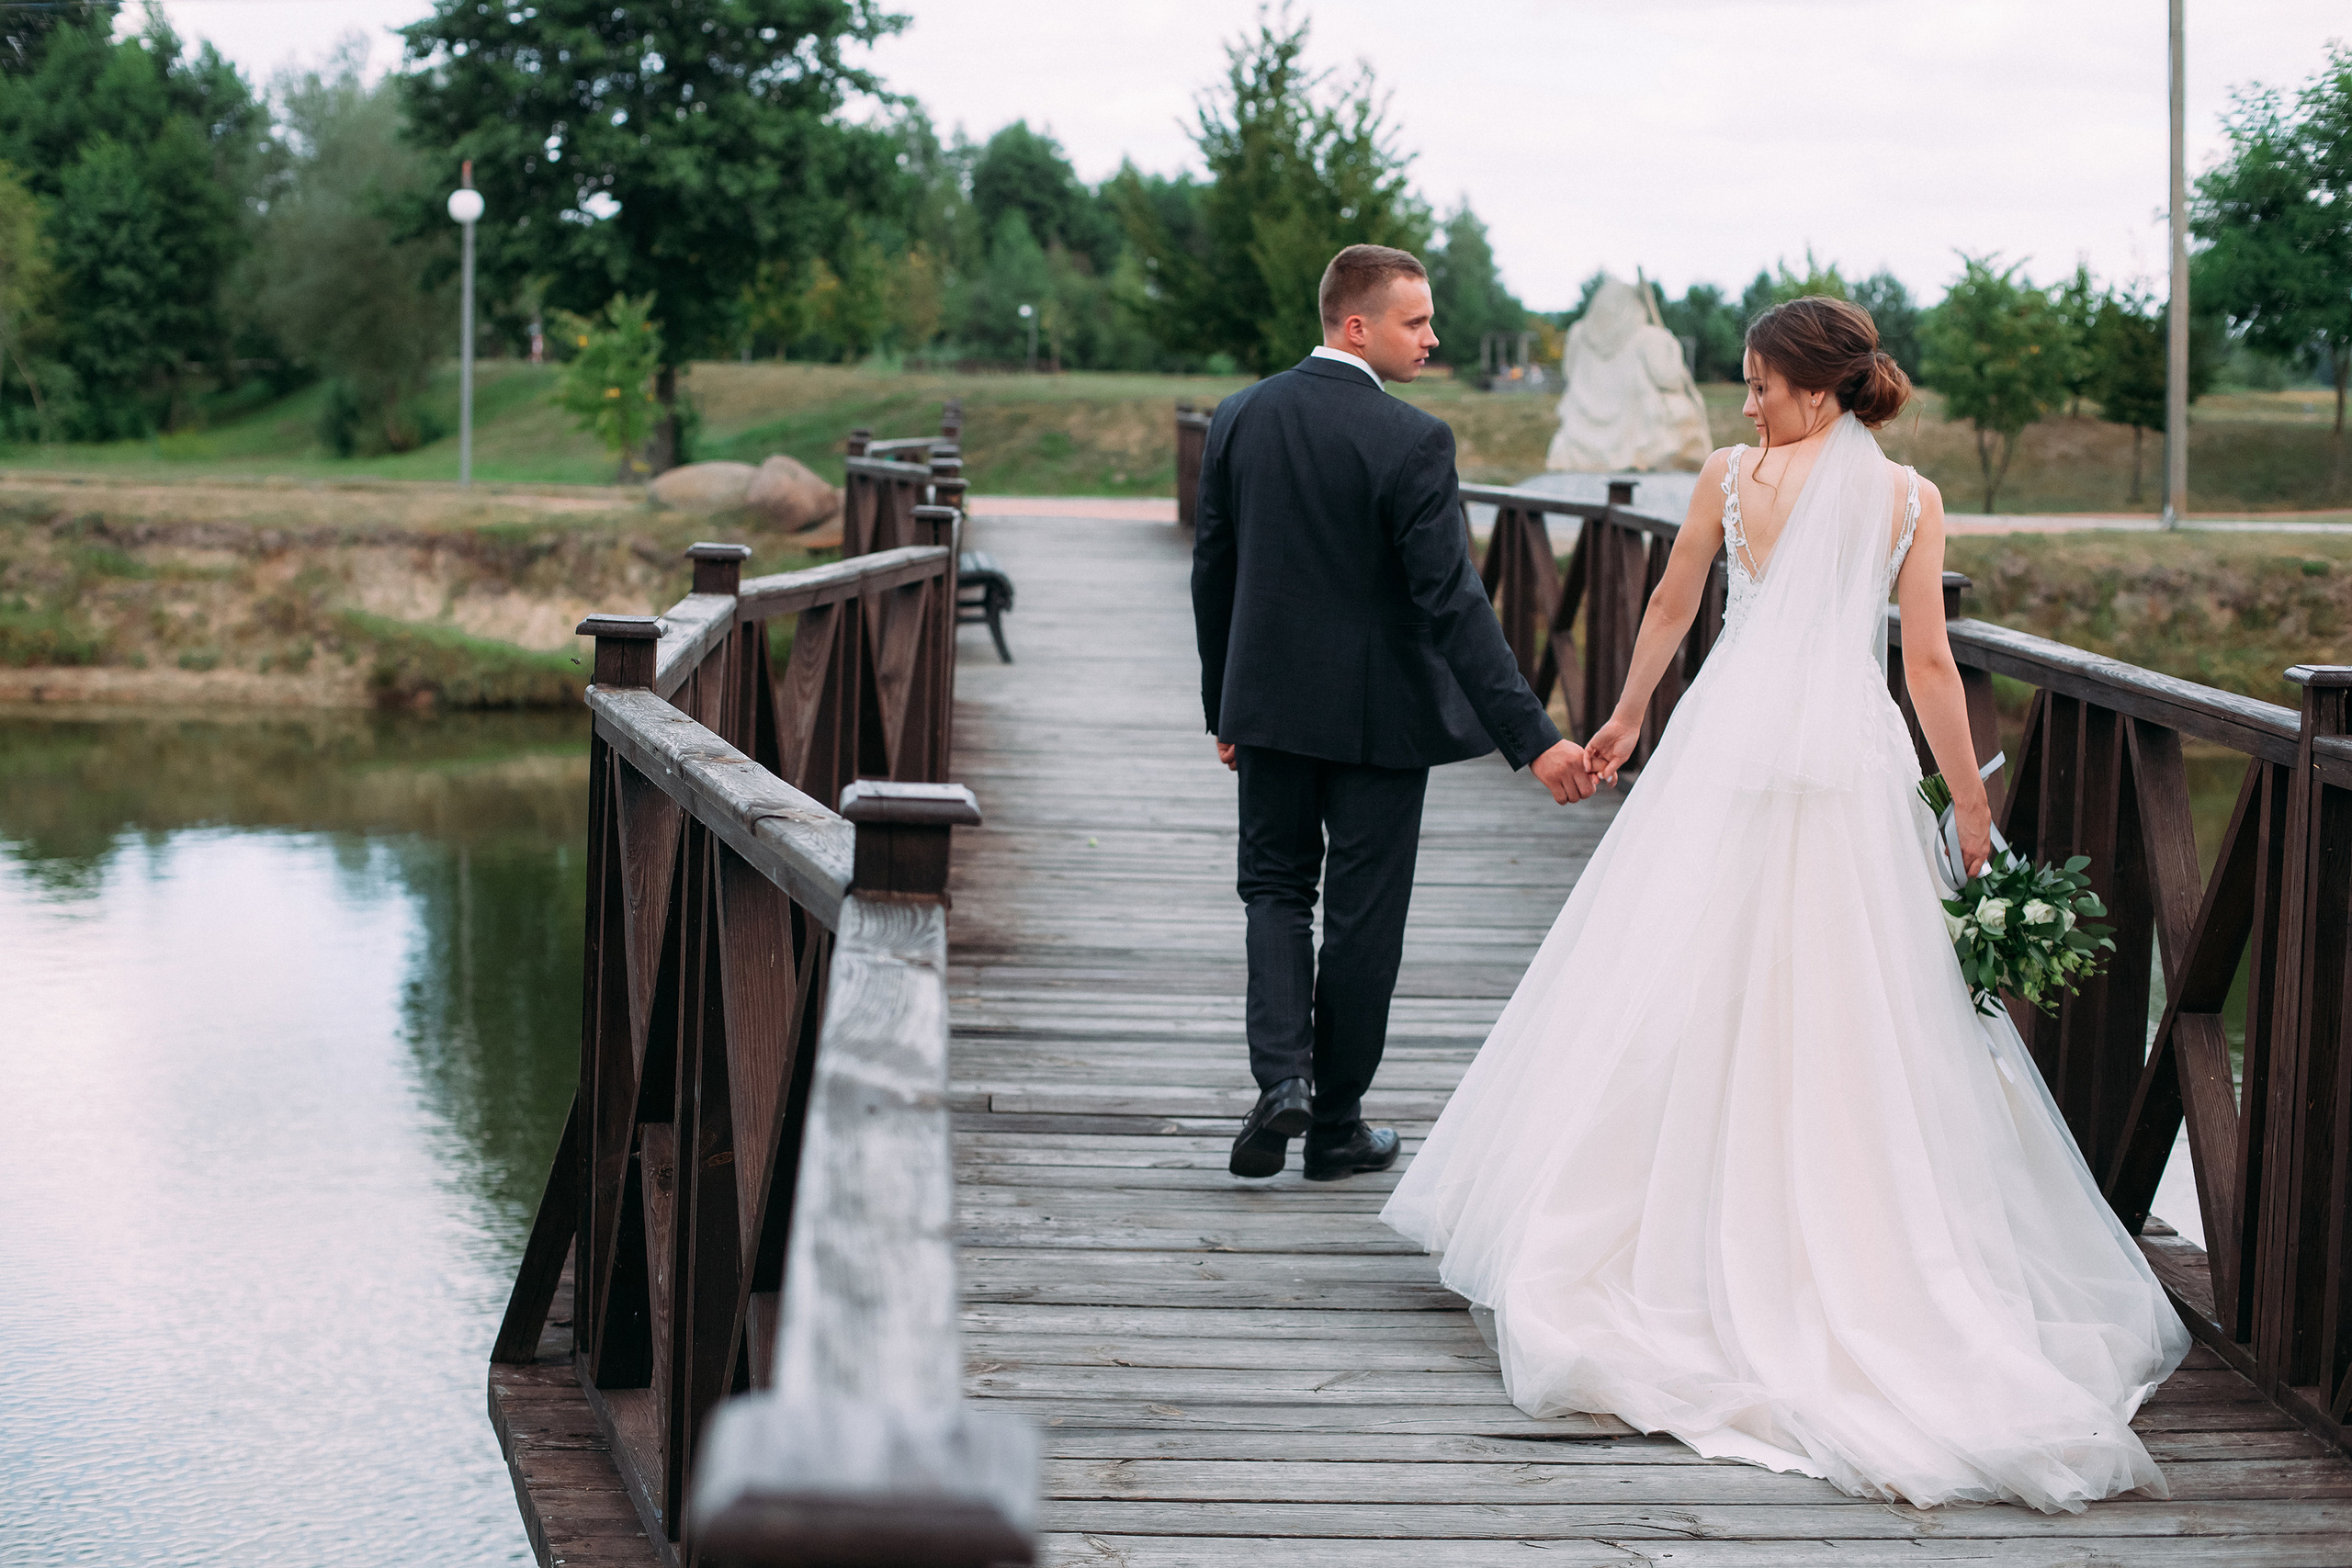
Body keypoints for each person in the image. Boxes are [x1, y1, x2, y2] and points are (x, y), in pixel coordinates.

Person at [1383, 297, 2188, 1513]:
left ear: (1815, 385)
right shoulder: (1905, 498)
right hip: (1846, 768)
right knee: (1842, 988)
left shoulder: (1730, 477)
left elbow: (1675, 607)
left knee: (1693, 964)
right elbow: (1919, 668)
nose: (1745, 402)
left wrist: (1631, 715)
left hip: (1730, 755)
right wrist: (1970, 810)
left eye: (1760, 382)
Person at [1192, 243, 1597, 1183]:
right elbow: (1453, 603)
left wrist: (1225, 704)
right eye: (1416, 321)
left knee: (1275, 889)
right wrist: (1534, 741)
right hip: (1380, 726)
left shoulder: (1240, 417)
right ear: (1357, 325)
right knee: (1365, 921)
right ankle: (1335, 1127)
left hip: (1271, 710)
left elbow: (1213, 572)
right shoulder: (1412, 440)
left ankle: (1280, 1081)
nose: (1433, 336)